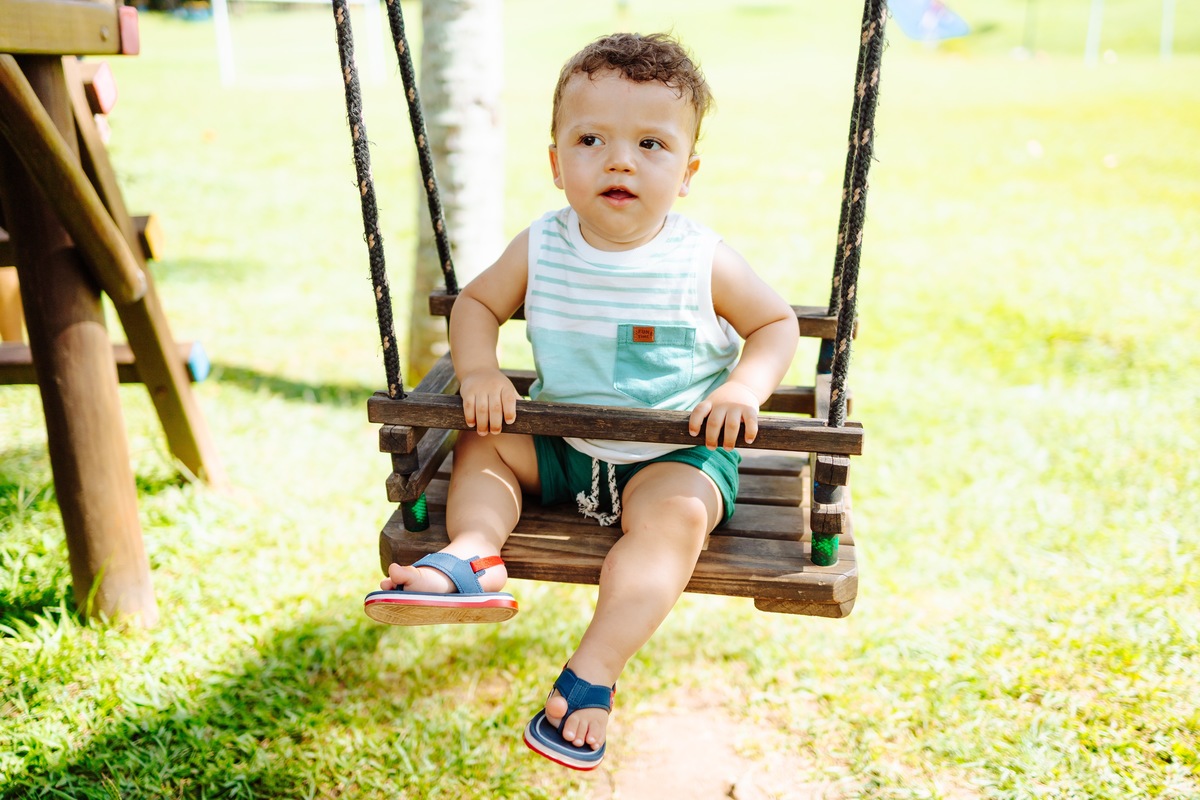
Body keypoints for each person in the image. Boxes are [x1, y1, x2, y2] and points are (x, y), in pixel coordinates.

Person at [363, 32, 799, 771]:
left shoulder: (701, 259)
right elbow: (476, 305)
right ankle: (475, 553)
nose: (620, 161)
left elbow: (775, 324)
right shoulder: (542, 245)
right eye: (591, 139)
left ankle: (593, 670)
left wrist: (741, 388)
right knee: (484, 439)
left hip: (674, 457)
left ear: (687, 173)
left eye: (651, 144)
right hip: (560, 449)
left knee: (676, 518)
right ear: (557, 163)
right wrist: (480, 371)